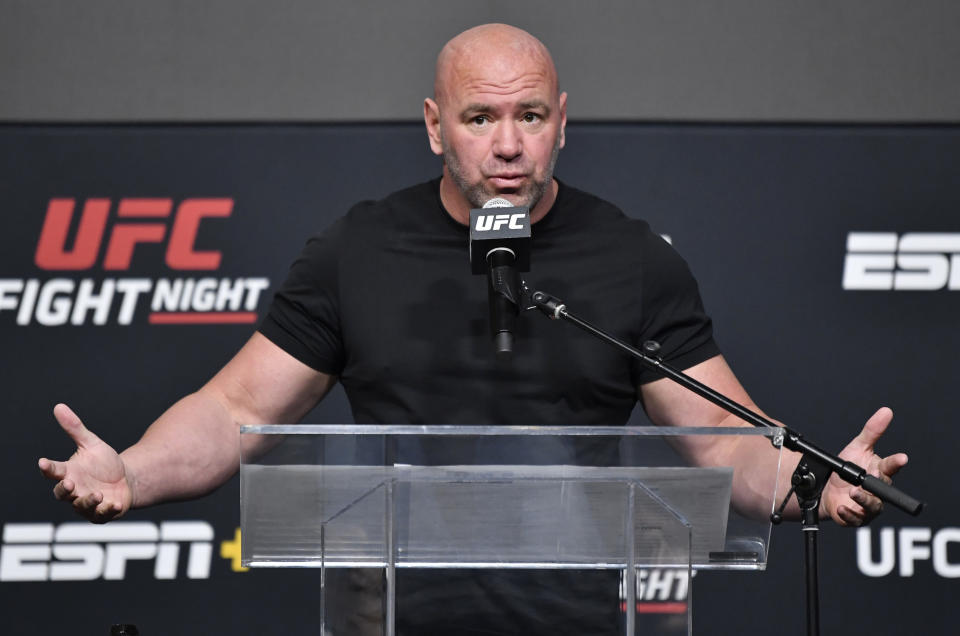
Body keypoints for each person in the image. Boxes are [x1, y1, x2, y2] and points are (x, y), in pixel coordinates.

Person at [39, 23, 908, 634]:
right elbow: (233, 407)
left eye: (529, 117)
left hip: (576, 625)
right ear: (433, 126)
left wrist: (812, 480)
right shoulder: (359, 248)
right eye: (480, 118)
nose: (507, 146)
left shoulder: (632, 259)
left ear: (562, 121)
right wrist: (134, 470)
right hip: (385, 622)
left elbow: (723, 443)